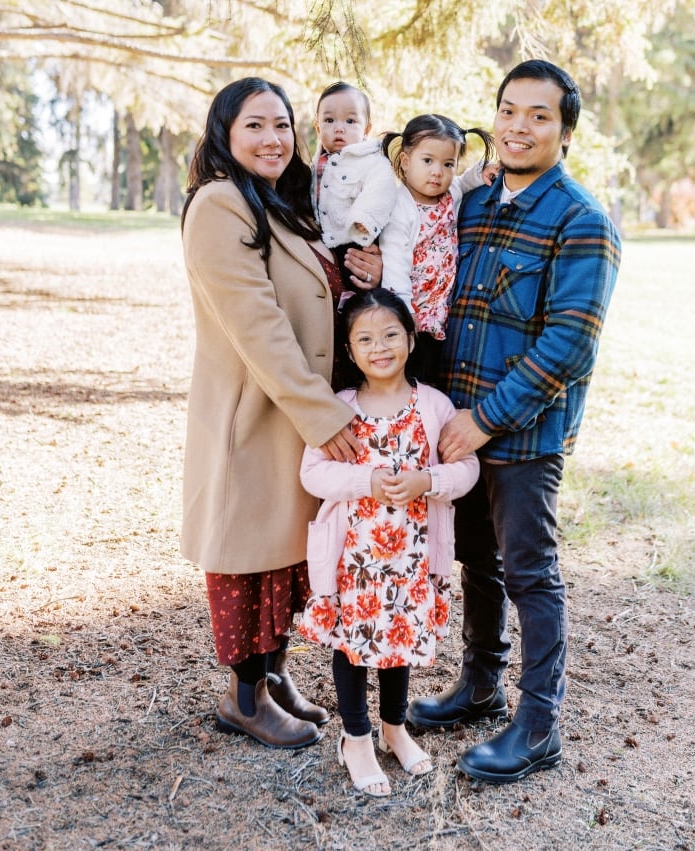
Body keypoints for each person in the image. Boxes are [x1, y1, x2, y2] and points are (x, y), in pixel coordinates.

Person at [407, 60, 622, 784]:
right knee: (477, 558)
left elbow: (569, 344)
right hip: (456, 425)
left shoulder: (583, 222)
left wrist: (485, 421)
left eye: (538, 115)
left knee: (531, 571)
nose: (518, 126)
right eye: (508, 111)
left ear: (565, 130)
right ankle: (479, 685)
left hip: (522, 434)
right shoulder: (472, 204)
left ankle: (538, 724)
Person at [180, 77, 381, 751]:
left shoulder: (281, 201)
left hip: (291, 412)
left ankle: (274, 674)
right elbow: (259, 326)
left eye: (282, 125)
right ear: (225, 135)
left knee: (284, 555)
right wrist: (323, 415)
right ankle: (244, 698)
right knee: (246, 555)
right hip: (255, 414)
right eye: (255, 126)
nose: (273, 139)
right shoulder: (219, 205)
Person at [297, 289, 480, 796]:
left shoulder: (434, 406)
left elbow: (467, 468)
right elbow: (312, 474)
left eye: (391, 334)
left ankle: (394, 729)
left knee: (398, 641)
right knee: (353, 645)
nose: (380, 347)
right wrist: (365, 481)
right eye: (365, 339)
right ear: (350, 352)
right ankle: (356, 737)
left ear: (412, 338)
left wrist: (429, 480)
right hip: (353, 559)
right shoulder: (340, 408)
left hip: (412, 556)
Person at [380, 114, 496, 383]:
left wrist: (482, 173)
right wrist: (403, 311)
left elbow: (465, 181)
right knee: (410, 378)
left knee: (434, 379)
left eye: (448, 164)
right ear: (406, 162)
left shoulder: (450, 193)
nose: (437, 172)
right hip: (412, 314)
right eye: (428, 161)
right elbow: (395, 262)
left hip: (439, 312)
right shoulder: (399, 207)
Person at [311, 81, 397, 294]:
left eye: (350, 121)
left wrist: (364, 219)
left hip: (356, 236)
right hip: (324, 239)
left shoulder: (373, 161)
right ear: (317, 127)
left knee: (356, 281)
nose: (339, 128)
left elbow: (381, 188)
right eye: (329, 120)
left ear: (366, 129)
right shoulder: (316, 162)